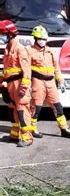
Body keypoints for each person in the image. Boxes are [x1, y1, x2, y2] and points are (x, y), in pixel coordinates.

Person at [28, 25, 70, 139]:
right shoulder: (30, 52)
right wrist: (27, 84)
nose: (42, 41)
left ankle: (64, 129)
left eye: (44, 39)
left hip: (50, 82)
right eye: (40, 39)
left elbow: (56, 68)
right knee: (36, 107)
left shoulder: (50, 52)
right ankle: (32, 129)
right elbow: (26, 69)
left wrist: (60, 80)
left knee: (58, 107)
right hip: (37, 81)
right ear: (35, 38)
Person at [0, 19, 33, 147]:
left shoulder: (20, 49)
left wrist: (24, 87)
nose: (1, 37)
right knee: (12, 109)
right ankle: (15, 134)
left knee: (22, 109)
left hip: (19, 84)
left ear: (10, 34)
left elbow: (27, 71)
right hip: (10, 85)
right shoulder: (8, 49)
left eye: (2, 34)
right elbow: (6, 71)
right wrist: (2, 83)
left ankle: (27, 137)